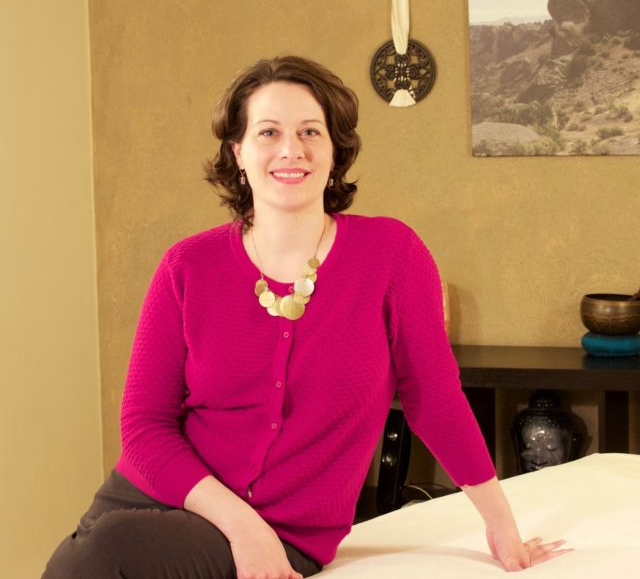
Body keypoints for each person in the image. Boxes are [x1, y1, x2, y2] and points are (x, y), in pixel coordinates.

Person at [44, 55, 570, 579]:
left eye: (310, 132)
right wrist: (241, 527)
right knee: (93, 554)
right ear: (238, 152)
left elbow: (433, 397)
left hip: (281, 533)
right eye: (268, 132)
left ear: (335, 150)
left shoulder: (391, 255)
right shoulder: (186, 265)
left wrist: (501, 524)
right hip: (152, 502)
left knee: (103, 554)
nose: (291, 150)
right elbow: (144, 427)